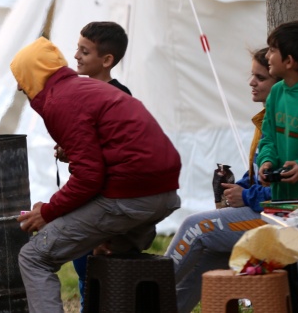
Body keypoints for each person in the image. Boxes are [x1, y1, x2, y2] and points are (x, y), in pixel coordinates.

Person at [11, 36, 181, 313]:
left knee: (34, 257)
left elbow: (90, 177)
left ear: (33, 75)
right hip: (164, 192)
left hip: (130, 195)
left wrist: (49, 211)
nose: (19, 85)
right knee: (111, 252)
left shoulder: (59, 101)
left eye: (20, 77)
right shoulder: (86, 88)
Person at [164, 47, 278, 313]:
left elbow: (287, 189)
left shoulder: (289, 121)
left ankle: (147, 288)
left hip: (280, 217)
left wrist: (247, 196)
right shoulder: (266, 118)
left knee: (197, 226)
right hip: (264, 210)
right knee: (209, 255)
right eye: (252, 76)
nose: (251, 83)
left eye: (260, 78)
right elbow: (259, 173)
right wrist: (238, 185)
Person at [56, 21, 131, 312]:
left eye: (84, 51)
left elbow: (120, 150)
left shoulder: (119, 97)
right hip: (83, 197)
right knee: (84, 269)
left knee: (104, 271)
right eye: (77, 49)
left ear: (107, 60)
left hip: (107, 200)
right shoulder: (79, 92)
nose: (76, 56)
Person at [257, 20, 298, 309]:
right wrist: (267, 160)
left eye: (272, 50)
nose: (267, 56)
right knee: (289, 278)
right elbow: (268, 136)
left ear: (290, 61)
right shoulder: (278, 93)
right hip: (281, 204)